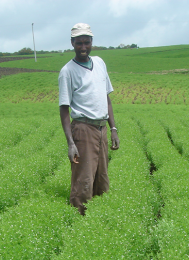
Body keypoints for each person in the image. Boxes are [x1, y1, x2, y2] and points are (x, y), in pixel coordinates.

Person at [58, 23, 120, 215]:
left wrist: (113, 129)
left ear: (92, 42)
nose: (83, 47)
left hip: (101, 128)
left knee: (102, 178)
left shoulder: (100, 63)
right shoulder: (67, 71)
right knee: (83, 182)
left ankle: (98, 219)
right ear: (72, 43)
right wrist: (70, 143)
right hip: (83, 129)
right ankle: (80, 223)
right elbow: (64, 109)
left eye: (87, 42)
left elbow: (106, 98)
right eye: (79, 43)